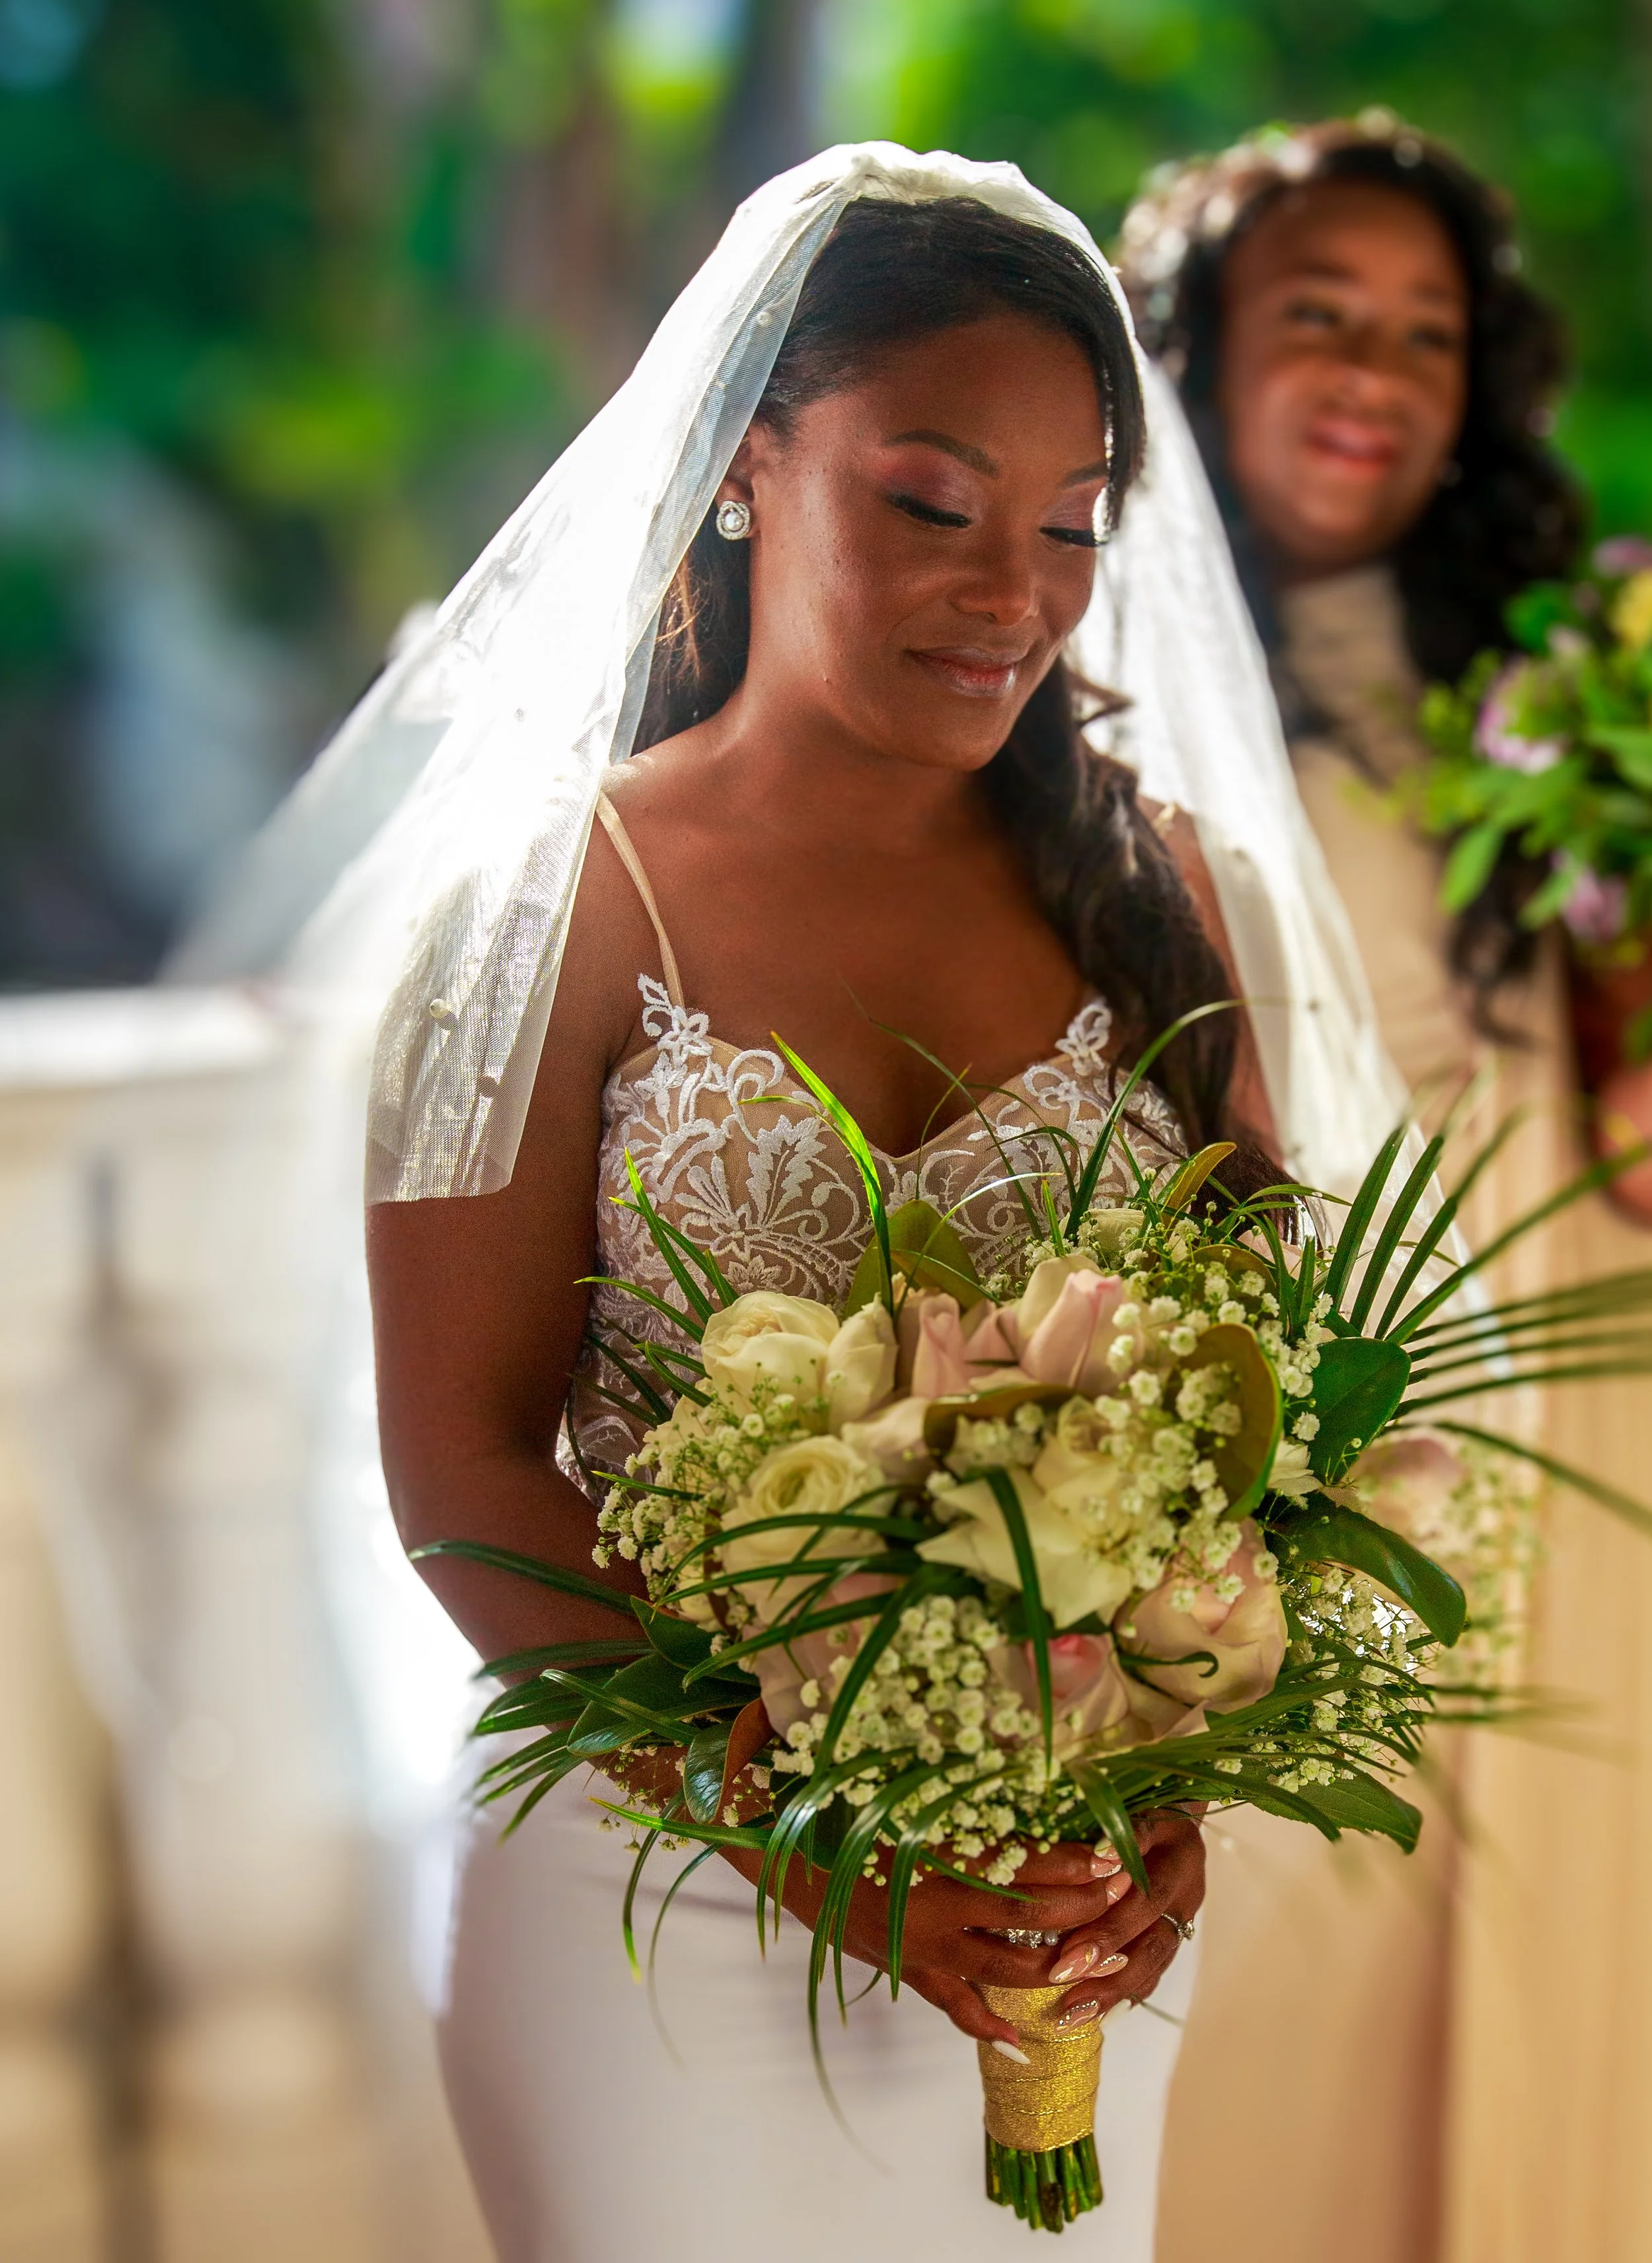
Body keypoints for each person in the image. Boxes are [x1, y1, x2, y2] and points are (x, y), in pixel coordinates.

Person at [357, 154, 1301, 2263]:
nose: (1013, 590)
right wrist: (817, 1847)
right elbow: (460, 1465)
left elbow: (1258, 1424)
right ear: (743, 465)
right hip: (648, 1890)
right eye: (928, 500)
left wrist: (1165, 1803)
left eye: (1070, 524)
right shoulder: (543, 904)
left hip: (1056, 1921)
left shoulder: (1161, 892)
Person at [1111, 114, 1652, 2262]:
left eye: (1426, 334)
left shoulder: (1549, 669)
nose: (1376, 370)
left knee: (1583, 1904)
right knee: (1308, 1945)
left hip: (1593, 1358)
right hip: (1318, 1383)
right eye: (1316, 316)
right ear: (1196, 352)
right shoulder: (1091, 683)